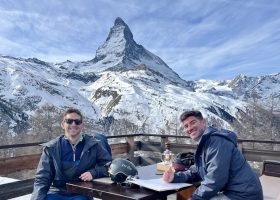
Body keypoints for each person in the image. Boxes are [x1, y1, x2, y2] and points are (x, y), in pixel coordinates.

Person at [163, 110, 263, 200]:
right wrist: (175, 177)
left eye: (193, 122)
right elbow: (198, 170)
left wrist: (195, 197)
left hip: (244, 195)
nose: (190, 128)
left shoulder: (217, 142)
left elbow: (216, 178)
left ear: (204, 122)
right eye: (186, 126)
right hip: (235, 192)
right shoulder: (206, 142)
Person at [31, 108, 112, 200]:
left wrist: (93, 173)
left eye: (77, 122)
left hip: (81, 193)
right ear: (63, 125)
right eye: (69, 121)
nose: (73, 124)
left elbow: (109, 167)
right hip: (56, 192)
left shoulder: (94, 145)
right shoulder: (51, 148)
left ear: (82, 125)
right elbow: (42, 178)